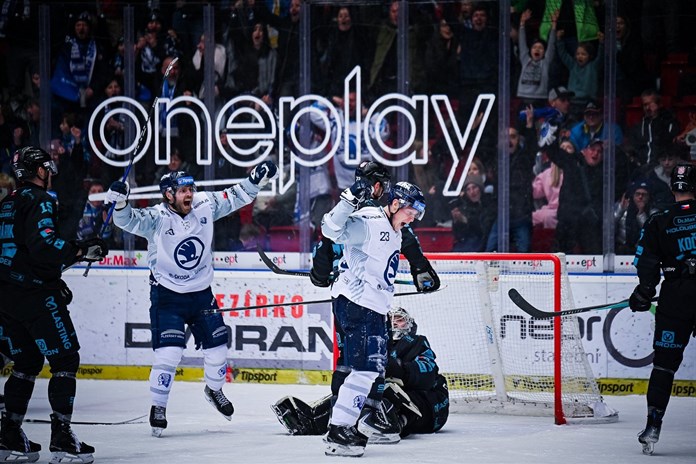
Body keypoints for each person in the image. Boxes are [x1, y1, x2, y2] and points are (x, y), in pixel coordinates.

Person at [105, 160, 278, 438]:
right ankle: (158, 407)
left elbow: (235, 196)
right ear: (168, 194)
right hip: (167, 296)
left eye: (191, 189)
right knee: (169, 354)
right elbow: (126, 220)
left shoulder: (204, 204)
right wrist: (121, 203)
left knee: (218, 350)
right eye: (183, 190)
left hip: (201, 295)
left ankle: (214, 390)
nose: (189, 194)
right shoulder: (157, 218)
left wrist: (255, 179)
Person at [0, 146, 109, 463]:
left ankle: (9, 434)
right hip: (34, 296)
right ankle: (62, 438)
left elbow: (23, 251)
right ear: (38, 170)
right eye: (46, 168)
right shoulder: (41, 200)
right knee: (65, 359)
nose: (49, 173)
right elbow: (44, 245)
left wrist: (54, 274)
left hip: (6, 297)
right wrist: (81, 251)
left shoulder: (7, 203)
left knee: (27, 361)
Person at [319, 178, 427, 457]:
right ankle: (339, 429)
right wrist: (347, 200)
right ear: (395, 204)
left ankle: (342, 426)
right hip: (358, 305)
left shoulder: (395, 230)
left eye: (416, 215)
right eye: (410, 212)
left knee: (369, 370)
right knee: (365, 370)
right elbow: (330, 230)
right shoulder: (370, 220)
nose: (412, 219)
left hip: (372, 308)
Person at [272, 307, 449, 439]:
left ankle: (395, 422)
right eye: (391, 320)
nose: (395, 323)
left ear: (409, 324)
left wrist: (401, 370)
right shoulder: (378, 344)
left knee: (388, 389)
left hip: (429, 406)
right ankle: (314, 419)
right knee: (357, 388)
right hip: (388, 396)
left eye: (400, 320)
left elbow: (428, 373)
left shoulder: (417, 342)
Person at [629, 163, 696, 455]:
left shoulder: (659, 219)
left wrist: (644, 292)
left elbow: (646, 261)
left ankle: (653, 427)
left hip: (675, 297)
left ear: (671, 188)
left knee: (664, 366)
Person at [310, 160, 440, 295]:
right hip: (368, 294)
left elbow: (324, 247)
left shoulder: (340, 213)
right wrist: (421, 268)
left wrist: (319, 275)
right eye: (384, 186)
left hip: (342, 291)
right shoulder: (380, 215)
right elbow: (408, 239)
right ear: (377, 186)